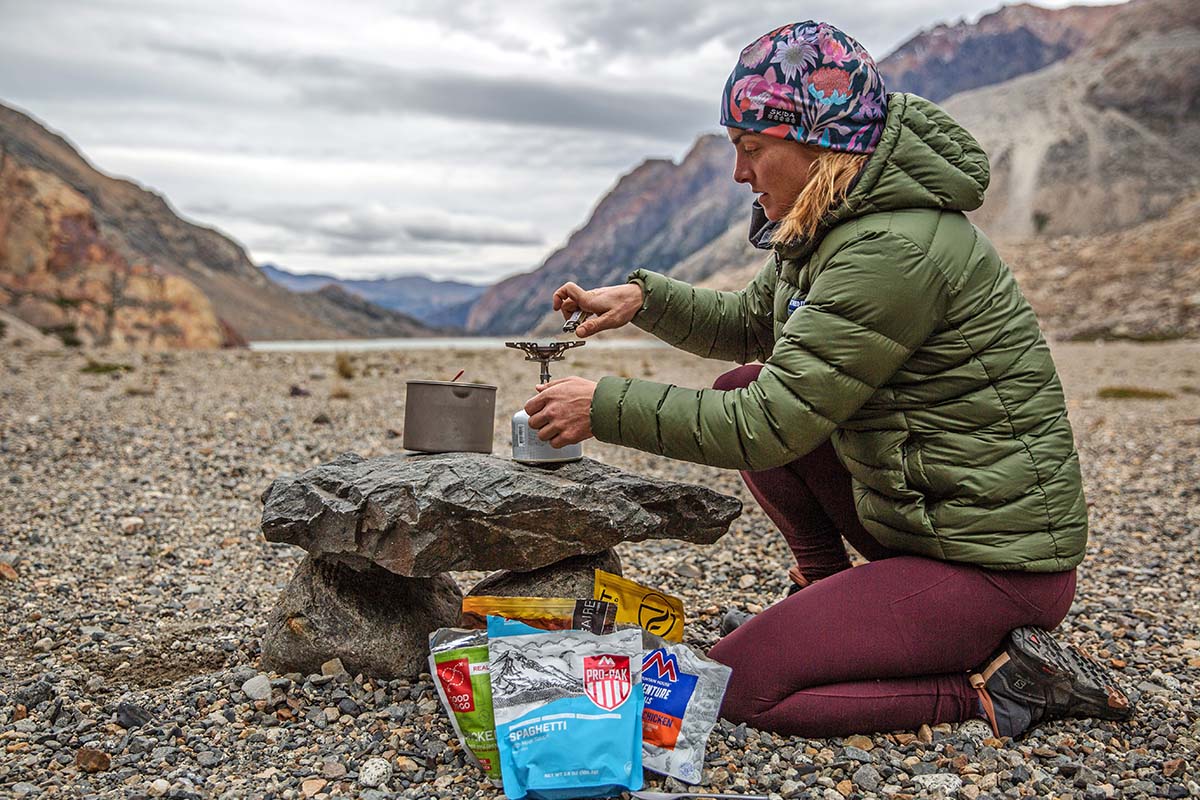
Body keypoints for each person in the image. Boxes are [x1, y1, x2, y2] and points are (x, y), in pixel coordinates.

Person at [522, 21, 1133, 739]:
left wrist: (605, 404)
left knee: (736, 688)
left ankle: (1003, 691)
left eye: (752, 150)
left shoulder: (892, 249)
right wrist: (643, 300)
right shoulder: (833, 224)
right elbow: (754, 322)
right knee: (741, 378)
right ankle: (826, 589)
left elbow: (768, 423)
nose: (739, 174)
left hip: (996, 566)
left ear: (821, 142)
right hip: (927, 522)